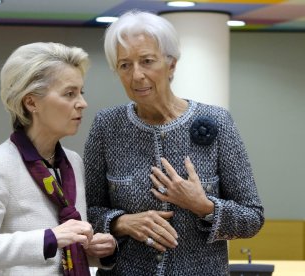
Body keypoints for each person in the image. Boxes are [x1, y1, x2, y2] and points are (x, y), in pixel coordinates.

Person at [84, 11, 265, 275]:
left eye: (147, 61)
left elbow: (252, 218)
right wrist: (121, 222)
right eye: (125, 65)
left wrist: (203, 206)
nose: (137, 75)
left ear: (171, 64)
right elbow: (86, 213)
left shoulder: (219, 121)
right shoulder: (106, 126)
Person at [0, 42, 116, 276]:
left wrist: (98, 251)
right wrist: (49, 237)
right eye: (70, 93)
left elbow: (59, 254)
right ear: (31, 102)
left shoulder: (73, 162)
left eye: (81, 92)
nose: (82, 103)